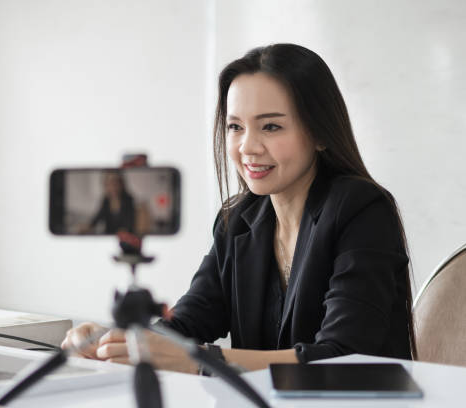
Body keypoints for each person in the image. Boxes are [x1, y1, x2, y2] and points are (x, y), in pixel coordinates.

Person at [62, 44, 416, 373]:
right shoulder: (238, 221)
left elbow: (342, 358)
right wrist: (114, 341)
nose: (248, 147)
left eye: (271, 126)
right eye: (235, 127)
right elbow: (186, 324)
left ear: (320, 134)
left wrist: (202, 360)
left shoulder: (363, 209)